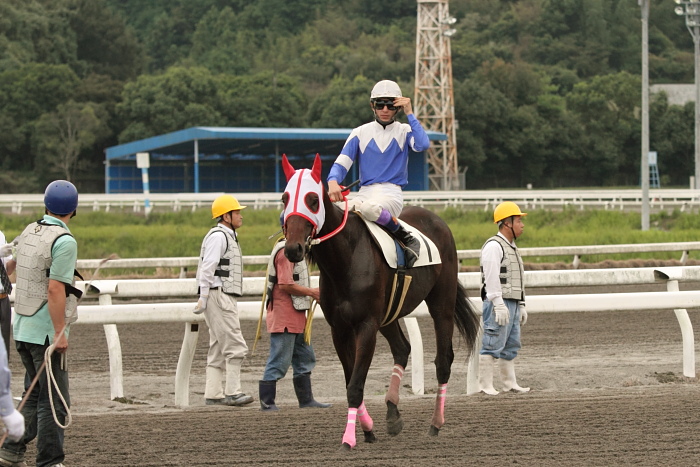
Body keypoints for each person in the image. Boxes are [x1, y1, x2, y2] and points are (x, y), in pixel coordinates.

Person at [0, 180, 81, 467]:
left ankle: (10, 450)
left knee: (32, 397)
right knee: (55, 402)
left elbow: (11, 269)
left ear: (46, 204)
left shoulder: (29, 230)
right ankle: (50, 461)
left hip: (21, 327)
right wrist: (60, 333)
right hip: (45, 334)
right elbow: (55, 289)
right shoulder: (65, 241)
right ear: (74, 209)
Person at [326, 79, 430, 268]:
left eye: (389, 105)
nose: (384, 109)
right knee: (332, 211)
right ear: (372, 106)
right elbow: (342, 163)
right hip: (365, 193)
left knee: (368, 209)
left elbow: (423, 144)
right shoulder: (359, 132)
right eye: (380, 104)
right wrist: (333, 181)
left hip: (391, 194)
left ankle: (406, 237)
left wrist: (410, 113)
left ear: (396, 107)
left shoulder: (404, 130)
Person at [193, 194, 254, 407]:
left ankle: (213, 393)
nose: (240, 216)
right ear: (226, 216)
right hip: (219, 295)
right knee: (235, 345)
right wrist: (203, 296)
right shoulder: (219, 236)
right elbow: (208, 267)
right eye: (237, 212)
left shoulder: (226, 235)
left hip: (220, 294)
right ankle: (233, 392)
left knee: (218, 345)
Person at [259, 238, 331, 411]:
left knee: (305, 357)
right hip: (284, 315)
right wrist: (312, 292)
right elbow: (285, 284)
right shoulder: (286, 252)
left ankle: (306, 400)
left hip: (297, 315)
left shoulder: (292, 249)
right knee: (279, 361)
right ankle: (267, 402)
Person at [478, 201, 530, 395]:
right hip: (498, 302)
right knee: (492, 342)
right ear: (507, 223)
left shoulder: (512, 247)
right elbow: (491, 277)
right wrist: (498, 304)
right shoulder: (494, 246)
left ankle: (510, 383)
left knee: (511, 343)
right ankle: (485, 385)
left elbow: (518, 277)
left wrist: (522, 304)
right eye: (518, 220)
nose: (522, 224)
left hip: (513, 302)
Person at [0, 231, 14, 357]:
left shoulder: (0, 235)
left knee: (3, 352)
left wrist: (15, 257)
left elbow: (8, 270)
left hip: (3, 298)